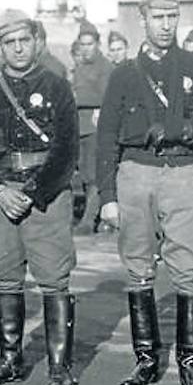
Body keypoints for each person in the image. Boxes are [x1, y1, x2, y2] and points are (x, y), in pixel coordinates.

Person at [96, 0, 193, 385]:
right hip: (135, 172)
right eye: (159, 17)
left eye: (173, 17)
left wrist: (182, 129)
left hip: (183, 170)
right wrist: (108, 197)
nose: (166, 25)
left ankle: (191, 363)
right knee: (137, 265)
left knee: (188, 265)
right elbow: (106, 138)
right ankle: (147, 360)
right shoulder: (123, 74)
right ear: (143, 19)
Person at [0, 9, 80, 385]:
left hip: (45, 194)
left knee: (53, 277)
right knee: (6, 277)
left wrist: (33, 193)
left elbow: (66, 149)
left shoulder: (57, 85)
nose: (17, 48)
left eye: (24, 40)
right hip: (0, 195)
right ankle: (10, 359)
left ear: (36, 41)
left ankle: (60, 368)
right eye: (9, 42)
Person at [71, 20, 115, 233]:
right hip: (80, 127)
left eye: (89, 44)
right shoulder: (80, 68)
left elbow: (105, 97)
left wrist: (76, 98)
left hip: (95, 127)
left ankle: (89, 220)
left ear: (97, 44)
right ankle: (91, 218)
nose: (86, 49)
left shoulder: (105, 67)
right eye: (82, 45)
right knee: (86, 176)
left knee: (95, 174)